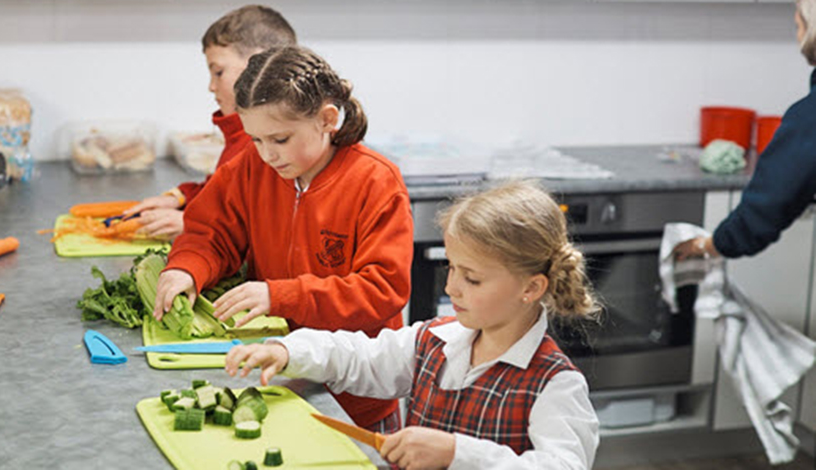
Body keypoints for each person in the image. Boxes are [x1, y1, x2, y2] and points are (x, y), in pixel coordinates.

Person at [225, 180, 601, 470]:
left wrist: (456, 453)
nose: (452, 287)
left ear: (531, 288)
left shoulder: (556, 384)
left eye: (472, 278)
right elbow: (360, 358)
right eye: (451, 268)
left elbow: (562, 465)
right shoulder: (434, 340)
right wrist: (287, 349)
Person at [153, 46, 414, 433]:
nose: (267, 155)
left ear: (327, 120)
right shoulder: (251, 166)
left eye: (280, 139)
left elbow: (383, 289)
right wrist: (187, 269)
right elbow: (211, 232)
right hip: (277, 379)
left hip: (355, 397)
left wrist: (282, 296)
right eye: (256, 140)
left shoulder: (375, 181)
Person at [122, 5, 296, 239]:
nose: (211, 86)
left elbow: (268, 227)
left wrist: (194, 223)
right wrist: (178, 198)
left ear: (260, 67)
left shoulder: (272, 145)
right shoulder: (240, 134)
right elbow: (223, 194)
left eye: (219, 72)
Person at [676, 0, 816, 260]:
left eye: (798, 27)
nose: (797, 38)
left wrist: (709, 245)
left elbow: (771, 201)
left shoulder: (809, 117)